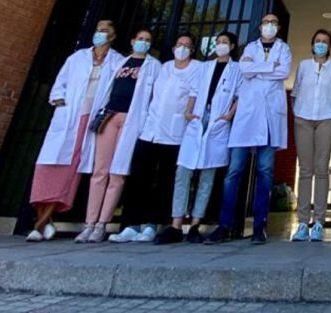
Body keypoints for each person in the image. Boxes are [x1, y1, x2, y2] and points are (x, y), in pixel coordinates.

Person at [27, 20, 124, 242]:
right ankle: (43, 221)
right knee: (47, 167)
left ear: (113, 35)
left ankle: (40, 225)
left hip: (92, 120)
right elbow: (60, 84)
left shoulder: (117, 61)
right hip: (68, 117)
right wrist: (61, 102)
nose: (99, 33)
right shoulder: (77, 57)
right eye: (97, 29)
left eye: (104, 31)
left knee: (72, 170)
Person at [204, 14, 291, 245]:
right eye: (266, 22)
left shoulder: (284, 49)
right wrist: (268, 66)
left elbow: (283, 72)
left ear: (278, 27)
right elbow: (244, 69)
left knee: (265, 172)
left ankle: (259, 228)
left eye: (273, 22)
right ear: (260, 26)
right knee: (234, 172)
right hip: (247, 115)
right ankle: (225, 226)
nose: (269, 26)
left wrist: (257, 68)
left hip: (270, 117)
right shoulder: (249, 48)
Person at [109, 33, 203, 243]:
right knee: (139, 177)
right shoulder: (164, 67)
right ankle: (131, 224)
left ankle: (152, 224)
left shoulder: (197, 68)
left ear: (193, 49)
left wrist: (188, 113)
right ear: (173, 48)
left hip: (174, 132)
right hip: (150, 129)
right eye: (179, 44)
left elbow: (194, 94)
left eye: (187, 46)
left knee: (163, 180)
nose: (182, 48)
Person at [74, 28, 161, 244]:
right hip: (109, 116)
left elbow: (156, 98)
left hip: (132, 120)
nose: (143, 42)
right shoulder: (118, 62)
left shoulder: (154, 66)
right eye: (140, 39)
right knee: (99, 170)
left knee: (118, 172)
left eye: (147, 40)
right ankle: (89, 223)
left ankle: (103, 224)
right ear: (132, 41)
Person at [162, 30, 241, 244]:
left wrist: (228, 116)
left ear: (232, 46)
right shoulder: (204, 67)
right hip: (197, 120)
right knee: (183, 172)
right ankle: (176, 223)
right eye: (218, 42)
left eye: (225, 42)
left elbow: (238, 96)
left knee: (207, 176)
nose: (221, 45)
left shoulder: (237, 69)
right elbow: (194, 92)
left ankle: (196, 224)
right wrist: (189, 112)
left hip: (218, 122)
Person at [290, 29, 331, 242]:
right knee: (305, 170)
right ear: (312, 44)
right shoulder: (303, 65)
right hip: (303, 118)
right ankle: (303, 222)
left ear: (330, 46)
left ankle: (319, 222)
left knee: (322, 168)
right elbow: (294, 92)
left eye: (325, 41)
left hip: (327, 118)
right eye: (317, 41)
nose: (321, 44)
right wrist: (297, 114)